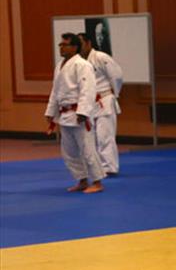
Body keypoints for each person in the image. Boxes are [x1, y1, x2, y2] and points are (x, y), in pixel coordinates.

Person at [45, 33, 105, 194]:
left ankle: (97, 182)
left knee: (87, 150)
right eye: (60, 45)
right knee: (69, 152)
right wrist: (51, 112)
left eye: (65, 45)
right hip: (64, 114)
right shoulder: (60, 66)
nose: (61, 47)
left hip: (79, 114)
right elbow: (55, 91)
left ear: (75, 47)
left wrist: (83, 112)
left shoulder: (83, 65)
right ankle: (82, 180)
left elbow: (88, 90)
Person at [78, 33, 124, 176]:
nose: (79, 47)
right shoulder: (78, 62)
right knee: (89, 138)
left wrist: (113, 93)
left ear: (88, 43)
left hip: (104, 100)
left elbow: (116, 75)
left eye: (81, 43)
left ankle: (110, 167)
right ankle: (96, 167)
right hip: (88, 103)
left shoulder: (101, 57)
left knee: (105, 136)